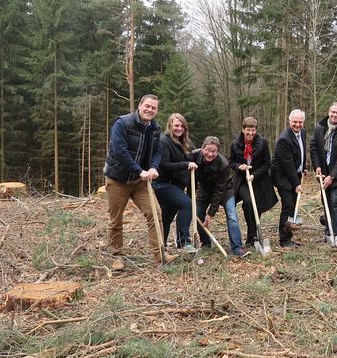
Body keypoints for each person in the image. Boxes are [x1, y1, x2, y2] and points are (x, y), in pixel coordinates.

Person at [103, 94, 177, 270]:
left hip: (140, 181)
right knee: (116, 219)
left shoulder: (155, 129)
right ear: (140, 105)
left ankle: (160, 255)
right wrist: (139, 170)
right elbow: (119, 151)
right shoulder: (122, 123)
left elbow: (158, 152)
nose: (150, 110)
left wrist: (153, 168)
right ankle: (117, 256)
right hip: (117, 180)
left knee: (155, 213)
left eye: (154, 108)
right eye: (147, 106)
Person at [193, 136, 250, 258]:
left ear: (218, 152)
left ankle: (237, 248)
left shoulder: (223, 164)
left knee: (232, 216)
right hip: (204, 191)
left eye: (214, 151)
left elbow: (219, 190)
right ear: (202, 149)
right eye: (207, 150)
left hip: (225, 191)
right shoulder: (194, 157)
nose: (210, 154)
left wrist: (211, 214)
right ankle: (206, 243)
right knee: (197, 214)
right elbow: (190, 178)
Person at [229, 117, 278, 253]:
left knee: (258, 206)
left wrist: (254, 174)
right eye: (248, 130)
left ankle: (252, 236)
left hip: (259, 180)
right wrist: (240, 167)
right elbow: (231, 162)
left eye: (253, 130)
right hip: (243, 181)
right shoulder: (235, 144)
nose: (251, 133)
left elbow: (267, 163)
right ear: (243, 130)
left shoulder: (262, 143)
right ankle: (252, 234)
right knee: (249, 202)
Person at [309, 102, 337, 247]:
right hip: (323, 173)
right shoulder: (320, 127)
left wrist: (332, 176)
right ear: (329, 112)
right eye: (333, 112)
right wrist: (317, 167)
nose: (335, 115)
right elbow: (314, 147)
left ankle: (335, 233)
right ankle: (327, 232)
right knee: (326, 202)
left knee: (335, 202)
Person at [154, 113, 198, 253]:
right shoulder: (164, 142)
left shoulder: (186, 143)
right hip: (163, 184)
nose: (179, 128)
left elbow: (192, 162)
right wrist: (185, 164)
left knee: (167, 216)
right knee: (187, 204)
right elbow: (164, 165)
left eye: (182, 126)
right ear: (170, 126)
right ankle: (183, 243)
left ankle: (161, 246)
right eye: (176, 125)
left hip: (177, 186)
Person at [271, 109, 307, 248]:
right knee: (288, 207)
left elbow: (301, 152)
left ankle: (289, 237)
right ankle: (284, 240)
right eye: (294, 122)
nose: (297, 124)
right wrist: (296, 184)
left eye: (300, 122)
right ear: (289, 121)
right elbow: (288, 165)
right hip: (283, 177)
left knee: (292, 208)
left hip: (293, 174)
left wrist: (303, 167)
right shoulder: (284, 139)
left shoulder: (301, 133)